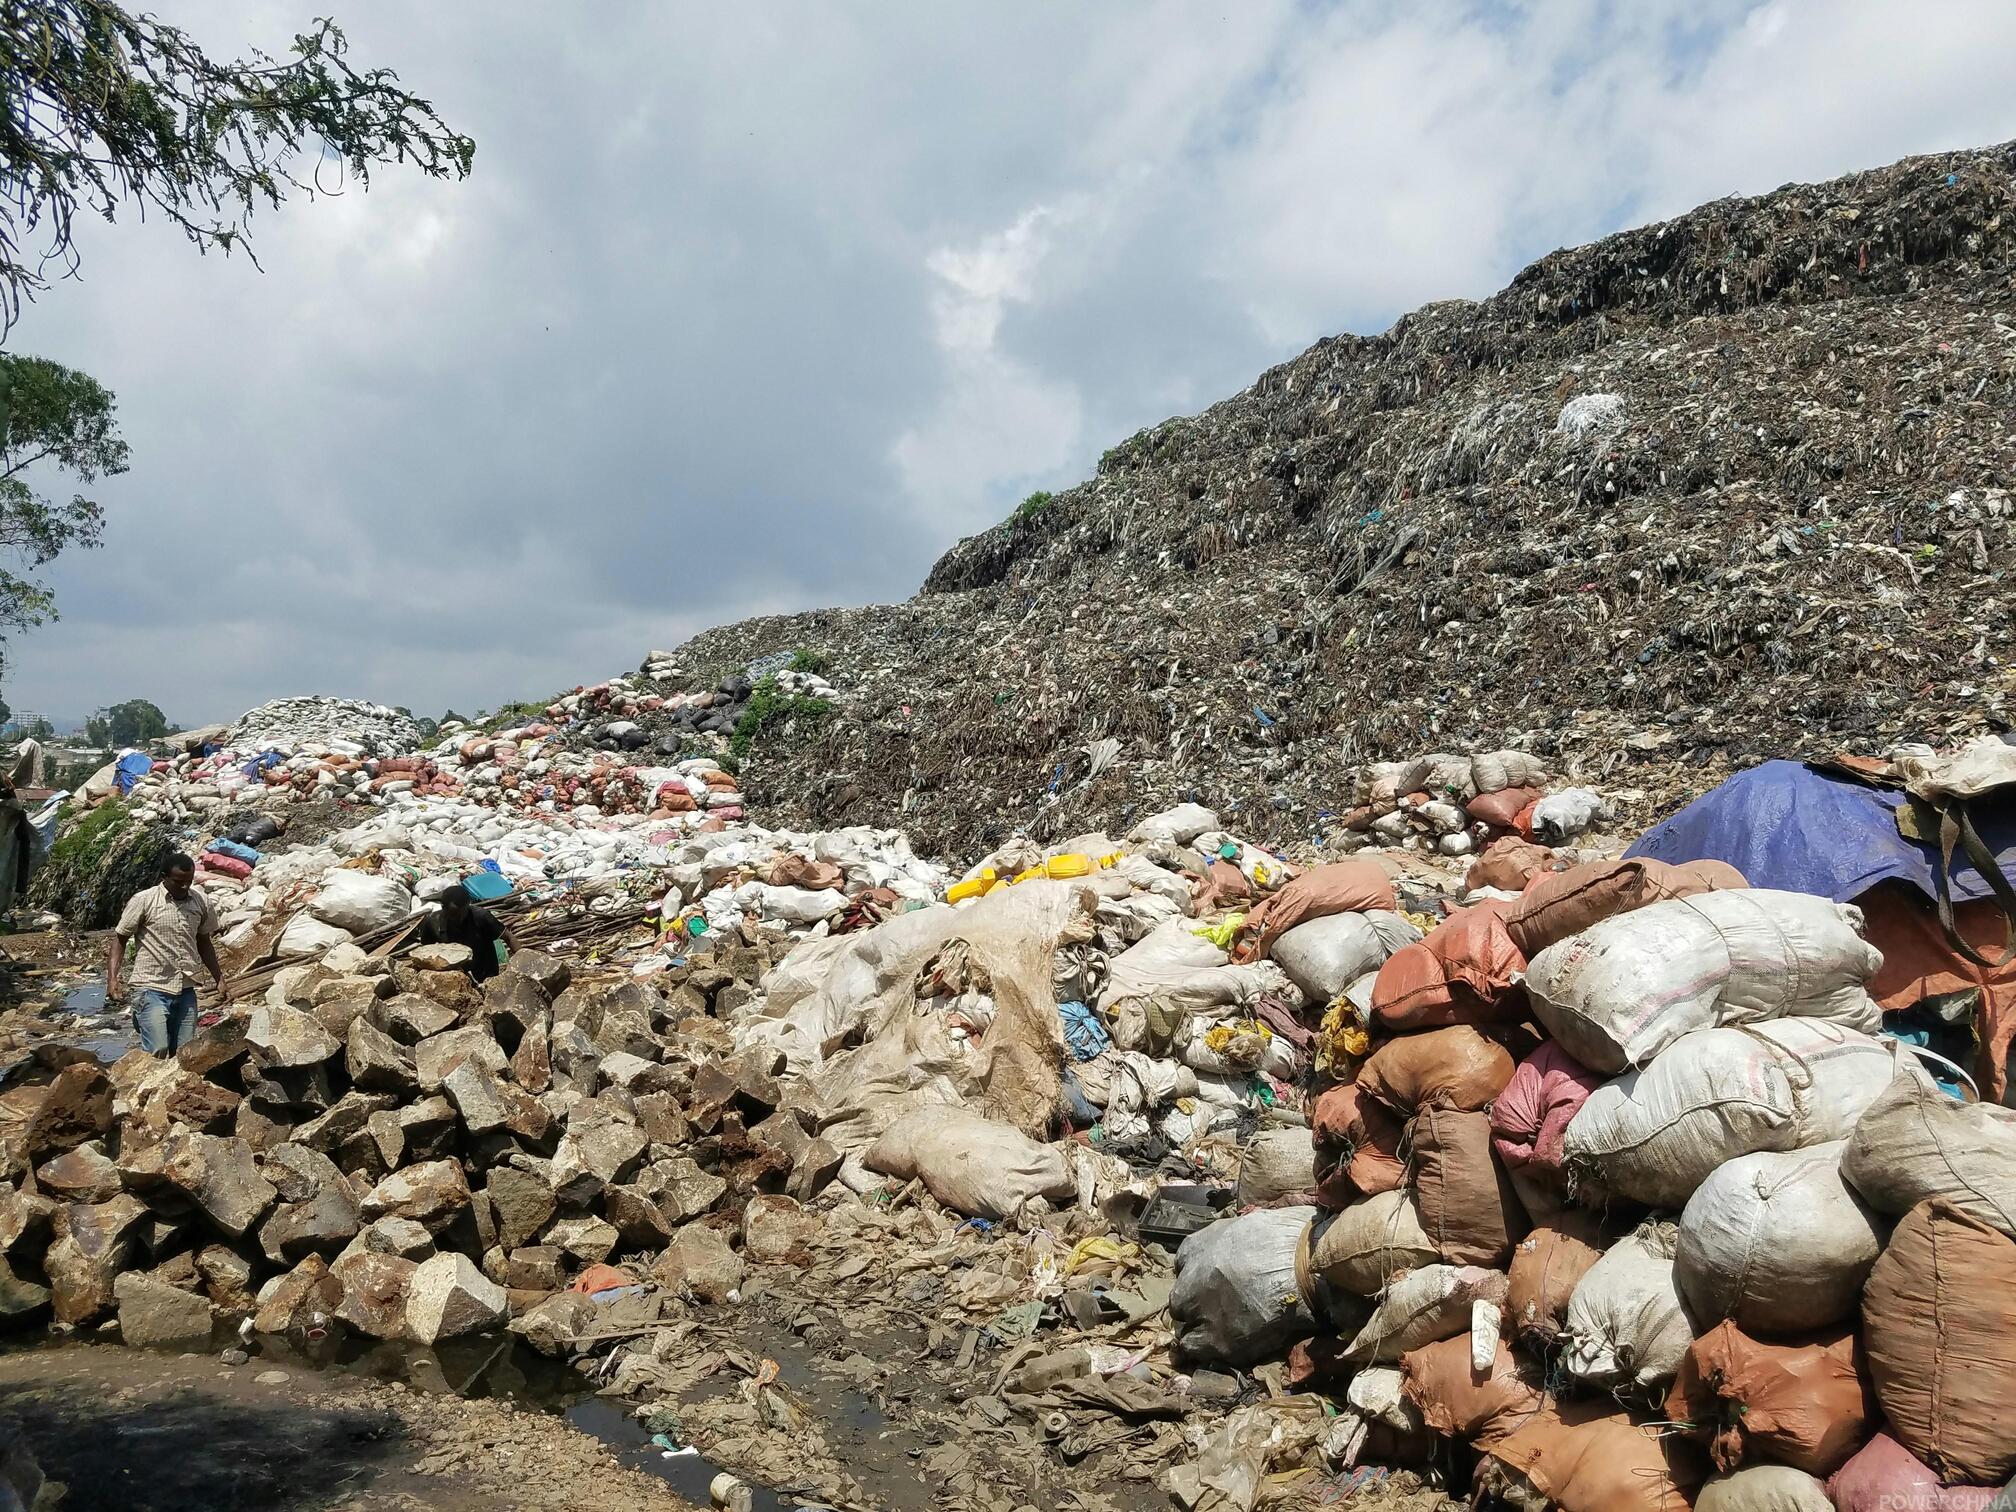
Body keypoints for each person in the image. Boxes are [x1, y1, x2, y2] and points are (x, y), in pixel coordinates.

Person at [107, 853, 222, 1056]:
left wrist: (219, 978)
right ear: (164, 877)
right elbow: (120, 939)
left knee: (185, 1053)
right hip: (151, 986)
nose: (185, 887)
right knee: (157, 1049)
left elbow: (204, 941)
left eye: (189, 881)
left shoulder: (200, 902)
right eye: (179, 882)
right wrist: (112, 980)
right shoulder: (144, 900)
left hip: (186, 988)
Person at [417, 883, 517, 983]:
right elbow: (426, 954)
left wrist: (522, 963)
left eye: (463, 913)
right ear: (443, 908)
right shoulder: (432, 923)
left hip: (486, 974)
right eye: (454, 914)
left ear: (468, 905)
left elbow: (508, 937)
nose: (459, 919)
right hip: (454, 979)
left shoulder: (481, 917)